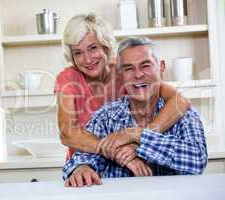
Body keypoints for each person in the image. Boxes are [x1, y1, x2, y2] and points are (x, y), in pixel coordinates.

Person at [62, 37, 208, 187]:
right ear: (120, 74)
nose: (138, 75)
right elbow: (82, 157)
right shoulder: (105, 117)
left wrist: (137, 135)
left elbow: (197, 160)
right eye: (129, 69)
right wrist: (82, 168)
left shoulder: (184, 115)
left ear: (161, 67)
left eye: (145, 66)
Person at [54, 13, 190, 171]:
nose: (87, 59)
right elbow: (68, 134)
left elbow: (180, 101)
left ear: (106, 46)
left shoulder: (127, 70)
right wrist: (117, 152)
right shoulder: (68, 79)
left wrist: (143, 136)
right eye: (78, 53)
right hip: (86, 166)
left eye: (93, 48)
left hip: (134, 161)